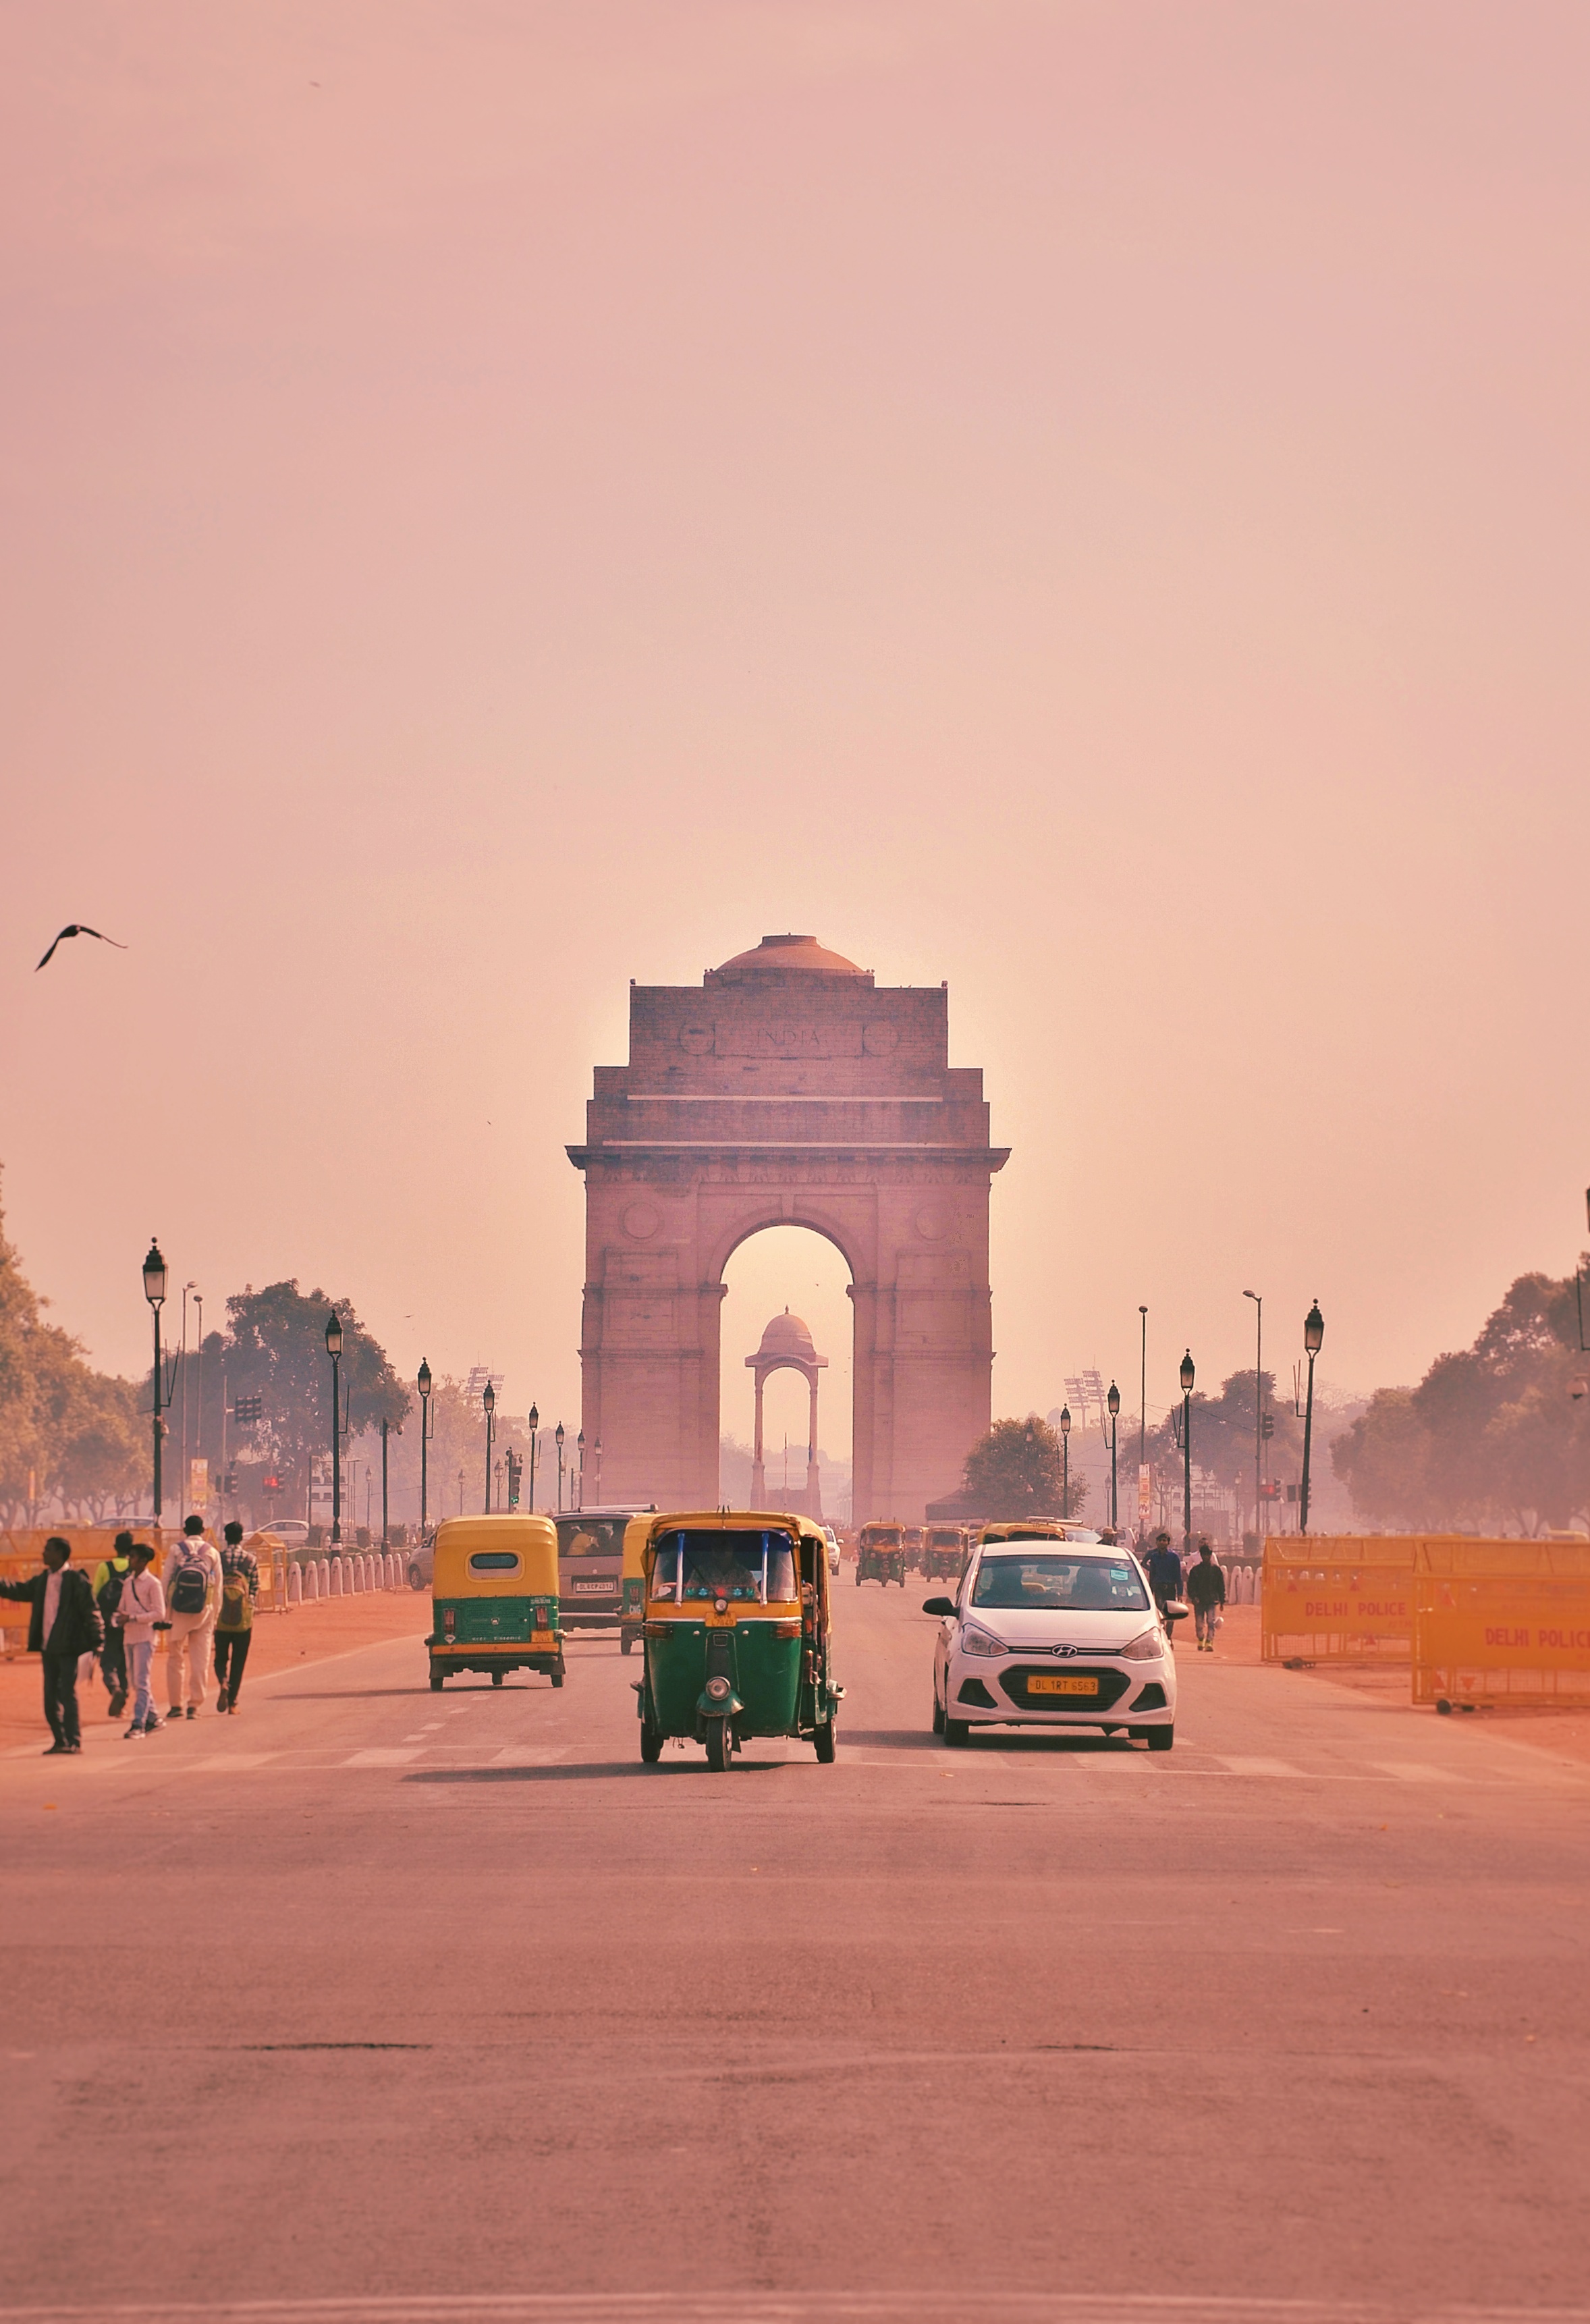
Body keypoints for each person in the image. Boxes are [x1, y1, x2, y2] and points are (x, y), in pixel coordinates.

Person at [0, 1536, 104, 1754]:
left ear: (60, 1554)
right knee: (49, 1698)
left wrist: (98, 1642)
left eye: (48, 1550)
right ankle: (60, 1740)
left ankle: (73, 1740)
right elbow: (18, 1591)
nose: (43, 1554)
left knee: (67, 1693)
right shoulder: (42, 1581)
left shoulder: (76, 1581)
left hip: (68, 1647)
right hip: (48, 1648)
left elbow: (91, 1611)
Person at [162, 1513, 222, 1721]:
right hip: (203, 1613)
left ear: (184, 1530)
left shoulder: (176, 1550)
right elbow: (219, 1588)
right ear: (203, 1531)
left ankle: (176, 1705)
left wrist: (165, 1611)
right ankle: (194, 1705)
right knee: (200, 1661)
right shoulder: (212, 1552)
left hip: (178, 1612)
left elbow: (166, 1579)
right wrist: (214, 1616)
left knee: (175, 1659)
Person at [113, 1540, 167, 1736]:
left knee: (142, 1681)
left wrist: (134, 1618)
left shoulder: (153, 1583)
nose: (130, 1560)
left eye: (134, 1557)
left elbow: (159, 1613)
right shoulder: (128, 1583)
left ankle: (138, 1724)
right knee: (136, 1682)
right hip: (129, 1637)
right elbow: (122, 1607)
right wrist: (119, 1618)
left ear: (144, 1561)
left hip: (145, 1638)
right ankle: (153, 1717)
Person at [213, 1520, 258, 1714]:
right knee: (239, 1660)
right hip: (243, 1620)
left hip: (221, 1617)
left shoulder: (218, 1558)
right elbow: (255, 1589)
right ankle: (233, 1702)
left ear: (225, 1537)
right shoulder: (250, 1560)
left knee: (220, 1658)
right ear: (241, 1538)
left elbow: (213, 1584)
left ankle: (223, 1681)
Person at [92, 1530, 135, 1719]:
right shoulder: (135, 1568)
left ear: (115, 1548)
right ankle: (123, 1701)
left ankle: (114, 1688)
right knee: (126, 1664)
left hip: (109, 1624)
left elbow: (94, 1595)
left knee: (108, 1663)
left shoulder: (105, 1567)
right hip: (130, 1624)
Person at [1186, 1538, 1226, 1651]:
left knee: (1211, 1621)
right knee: (1199, 1623)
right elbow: (1191, 1586)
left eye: (1208, 1555)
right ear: (1201, 1556)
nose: (1206, 1557)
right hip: (1199, 1600)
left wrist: (1222, 1600)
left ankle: (1209, 1641)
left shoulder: (1216, 1570)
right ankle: (1201, 1639)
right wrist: (1194, 1597)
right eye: (1204, 1555)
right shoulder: (1196, 1571)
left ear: (1211, 1555)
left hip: (1212, 1600)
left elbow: (1221, 1586)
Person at [1145, 1530, 1184, 1644]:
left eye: (1164, 1541)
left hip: (1170, 1588)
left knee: (1171, 1613)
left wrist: (1180, 1593)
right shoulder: (1154, 1557)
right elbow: (1152, 1574)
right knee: (1160, 1612)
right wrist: (1150, 1591)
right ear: (1157, 1543)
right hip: (1158, 1587)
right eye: (1160, 1541)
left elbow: (1178, 1575)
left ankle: (1169, 1636)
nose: (1162, 1543)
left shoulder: (1174, 1557)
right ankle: (1162, 1636)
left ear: (1168, 1543)